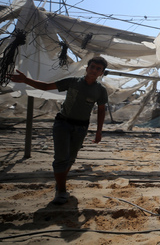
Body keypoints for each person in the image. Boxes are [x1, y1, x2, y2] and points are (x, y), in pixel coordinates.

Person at [10, 57, 109, 205]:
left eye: (98, 69)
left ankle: (60, 182)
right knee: (61, 158)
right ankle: (61, 190)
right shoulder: (72, 82)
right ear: (87, 68)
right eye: (92, 67)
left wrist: (99, 130)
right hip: (63, 123)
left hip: (81, 128)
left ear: (101, 73)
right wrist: (26, 80)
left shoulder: (100, 91)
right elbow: (45, 87)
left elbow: (101, 110)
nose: (94, 70)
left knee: (71, 159)